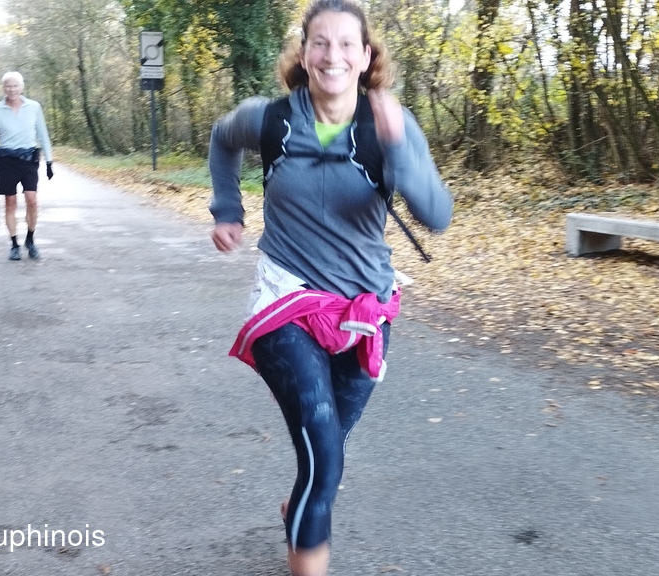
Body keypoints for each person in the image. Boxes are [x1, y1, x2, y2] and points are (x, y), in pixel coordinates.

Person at [208, 1, 452, 574]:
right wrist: (227, 209)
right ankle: (309, 527)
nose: (332, 55)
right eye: (320, 42)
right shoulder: (269, 119)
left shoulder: (391, 123)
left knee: (326, 457)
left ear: (366, 57)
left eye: (346, 44)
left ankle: (299, 509)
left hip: (364, 311)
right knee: (323, 458)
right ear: (304, 52)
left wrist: (397, 147)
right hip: (286, 300)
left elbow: (436, 215)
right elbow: (222, 139)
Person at [0, 71, 54, 261]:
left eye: (15, 86)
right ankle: (14, 244)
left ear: (22, 87)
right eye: (8, 86)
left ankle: (30, 239)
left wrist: (49, 161)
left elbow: (43, 134)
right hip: (7, 162)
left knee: (32, 200)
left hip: (28, 160)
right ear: (3, 88)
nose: (12, 89)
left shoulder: (34, 107)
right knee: (10, 202)